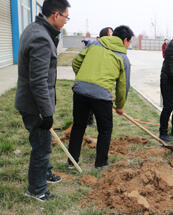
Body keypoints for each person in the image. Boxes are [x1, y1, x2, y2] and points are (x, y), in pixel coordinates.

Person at [14, 0, 70, 202]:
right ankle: (36, 189)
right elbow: (38, 81)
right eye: (66, 17)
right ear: (56, 15)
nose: (66, 22)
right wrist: (46, 112)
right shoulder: (41, 38)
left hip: (31, 102)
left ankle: (44, 173)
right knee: (42, 146)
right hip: (34, 105)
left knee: (41, 142)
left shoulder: (34, 28)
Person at [68, 25, 134, 170]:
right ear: (124, 40)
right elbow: (123, 86)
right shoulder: (123, 58)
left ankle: (72, 162)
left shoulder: (95, 44)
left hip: (80, 90)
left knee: (78, 126)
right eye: (129, 42)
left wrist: (83, 78)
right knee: (105, 129)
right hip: (101, 96)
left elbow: (76, 62)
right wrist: (121, 106)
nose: (129, 45)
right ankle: (100, 163)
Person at [86, 27, 114, 127]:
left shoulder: (111, 47)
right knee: (90, 99)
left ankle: (90, 118)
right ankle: (89, 119)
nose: (112, 34)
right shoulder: (94, 45)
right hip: (91, 77)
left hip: (101, 80)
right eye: (110, 32)